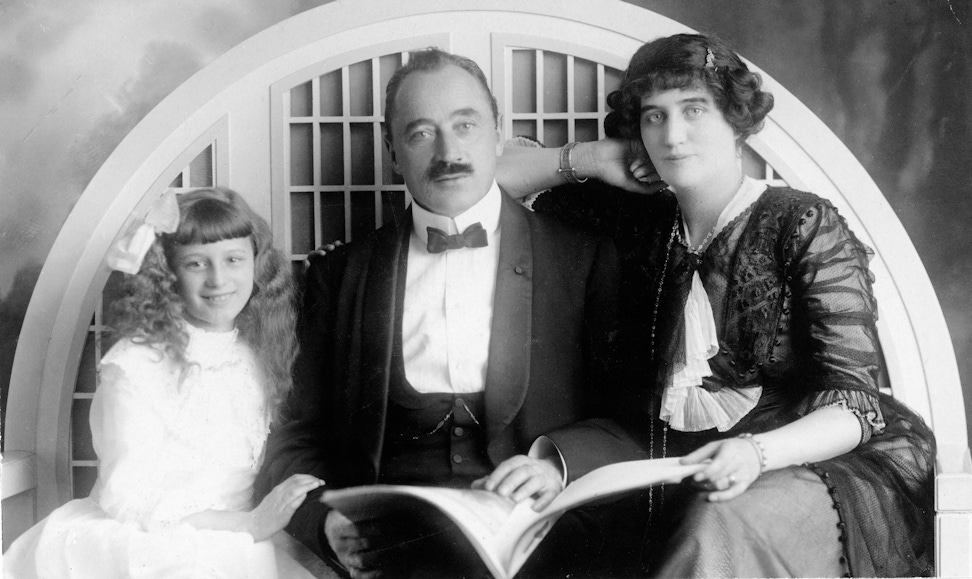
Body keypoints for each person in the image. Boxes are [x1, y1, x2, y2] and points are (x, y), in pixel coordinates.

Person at [496, 33, 936, 577]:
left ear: (736, 118)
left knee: (718, 523)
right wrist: (594, 157)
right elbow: (484, 186)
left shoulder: (801, 223)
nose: (672, 136)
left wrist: (756, 453)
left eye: (693, 110)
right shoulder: (632, 220)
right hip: (669, 455)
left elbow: (855, 405)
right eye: (653, 117)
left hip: (804, 455)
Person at [261, 48, 625, 578]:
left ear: (498, 133)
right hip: (390, 552)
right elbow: (293, 436)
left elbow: (635, 415)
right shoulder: (338, 276)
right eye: (421, 133)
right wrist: (324, 523)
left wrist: (557, 464)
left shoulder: (585, 258)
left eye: (465, 125)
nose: (448, 151)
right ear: (393, 151)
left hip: (539, 541)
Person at [3, 188, 327, 578]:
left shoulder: (254, 351)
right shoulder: (137, 363)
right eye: (195, 264)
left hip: (239, 533)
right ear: (168, 273)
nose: (218, 279)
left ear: (256, 265)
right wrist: (248, 526)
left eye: (234, 259)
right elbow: (128, 500)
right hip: (156, 544)